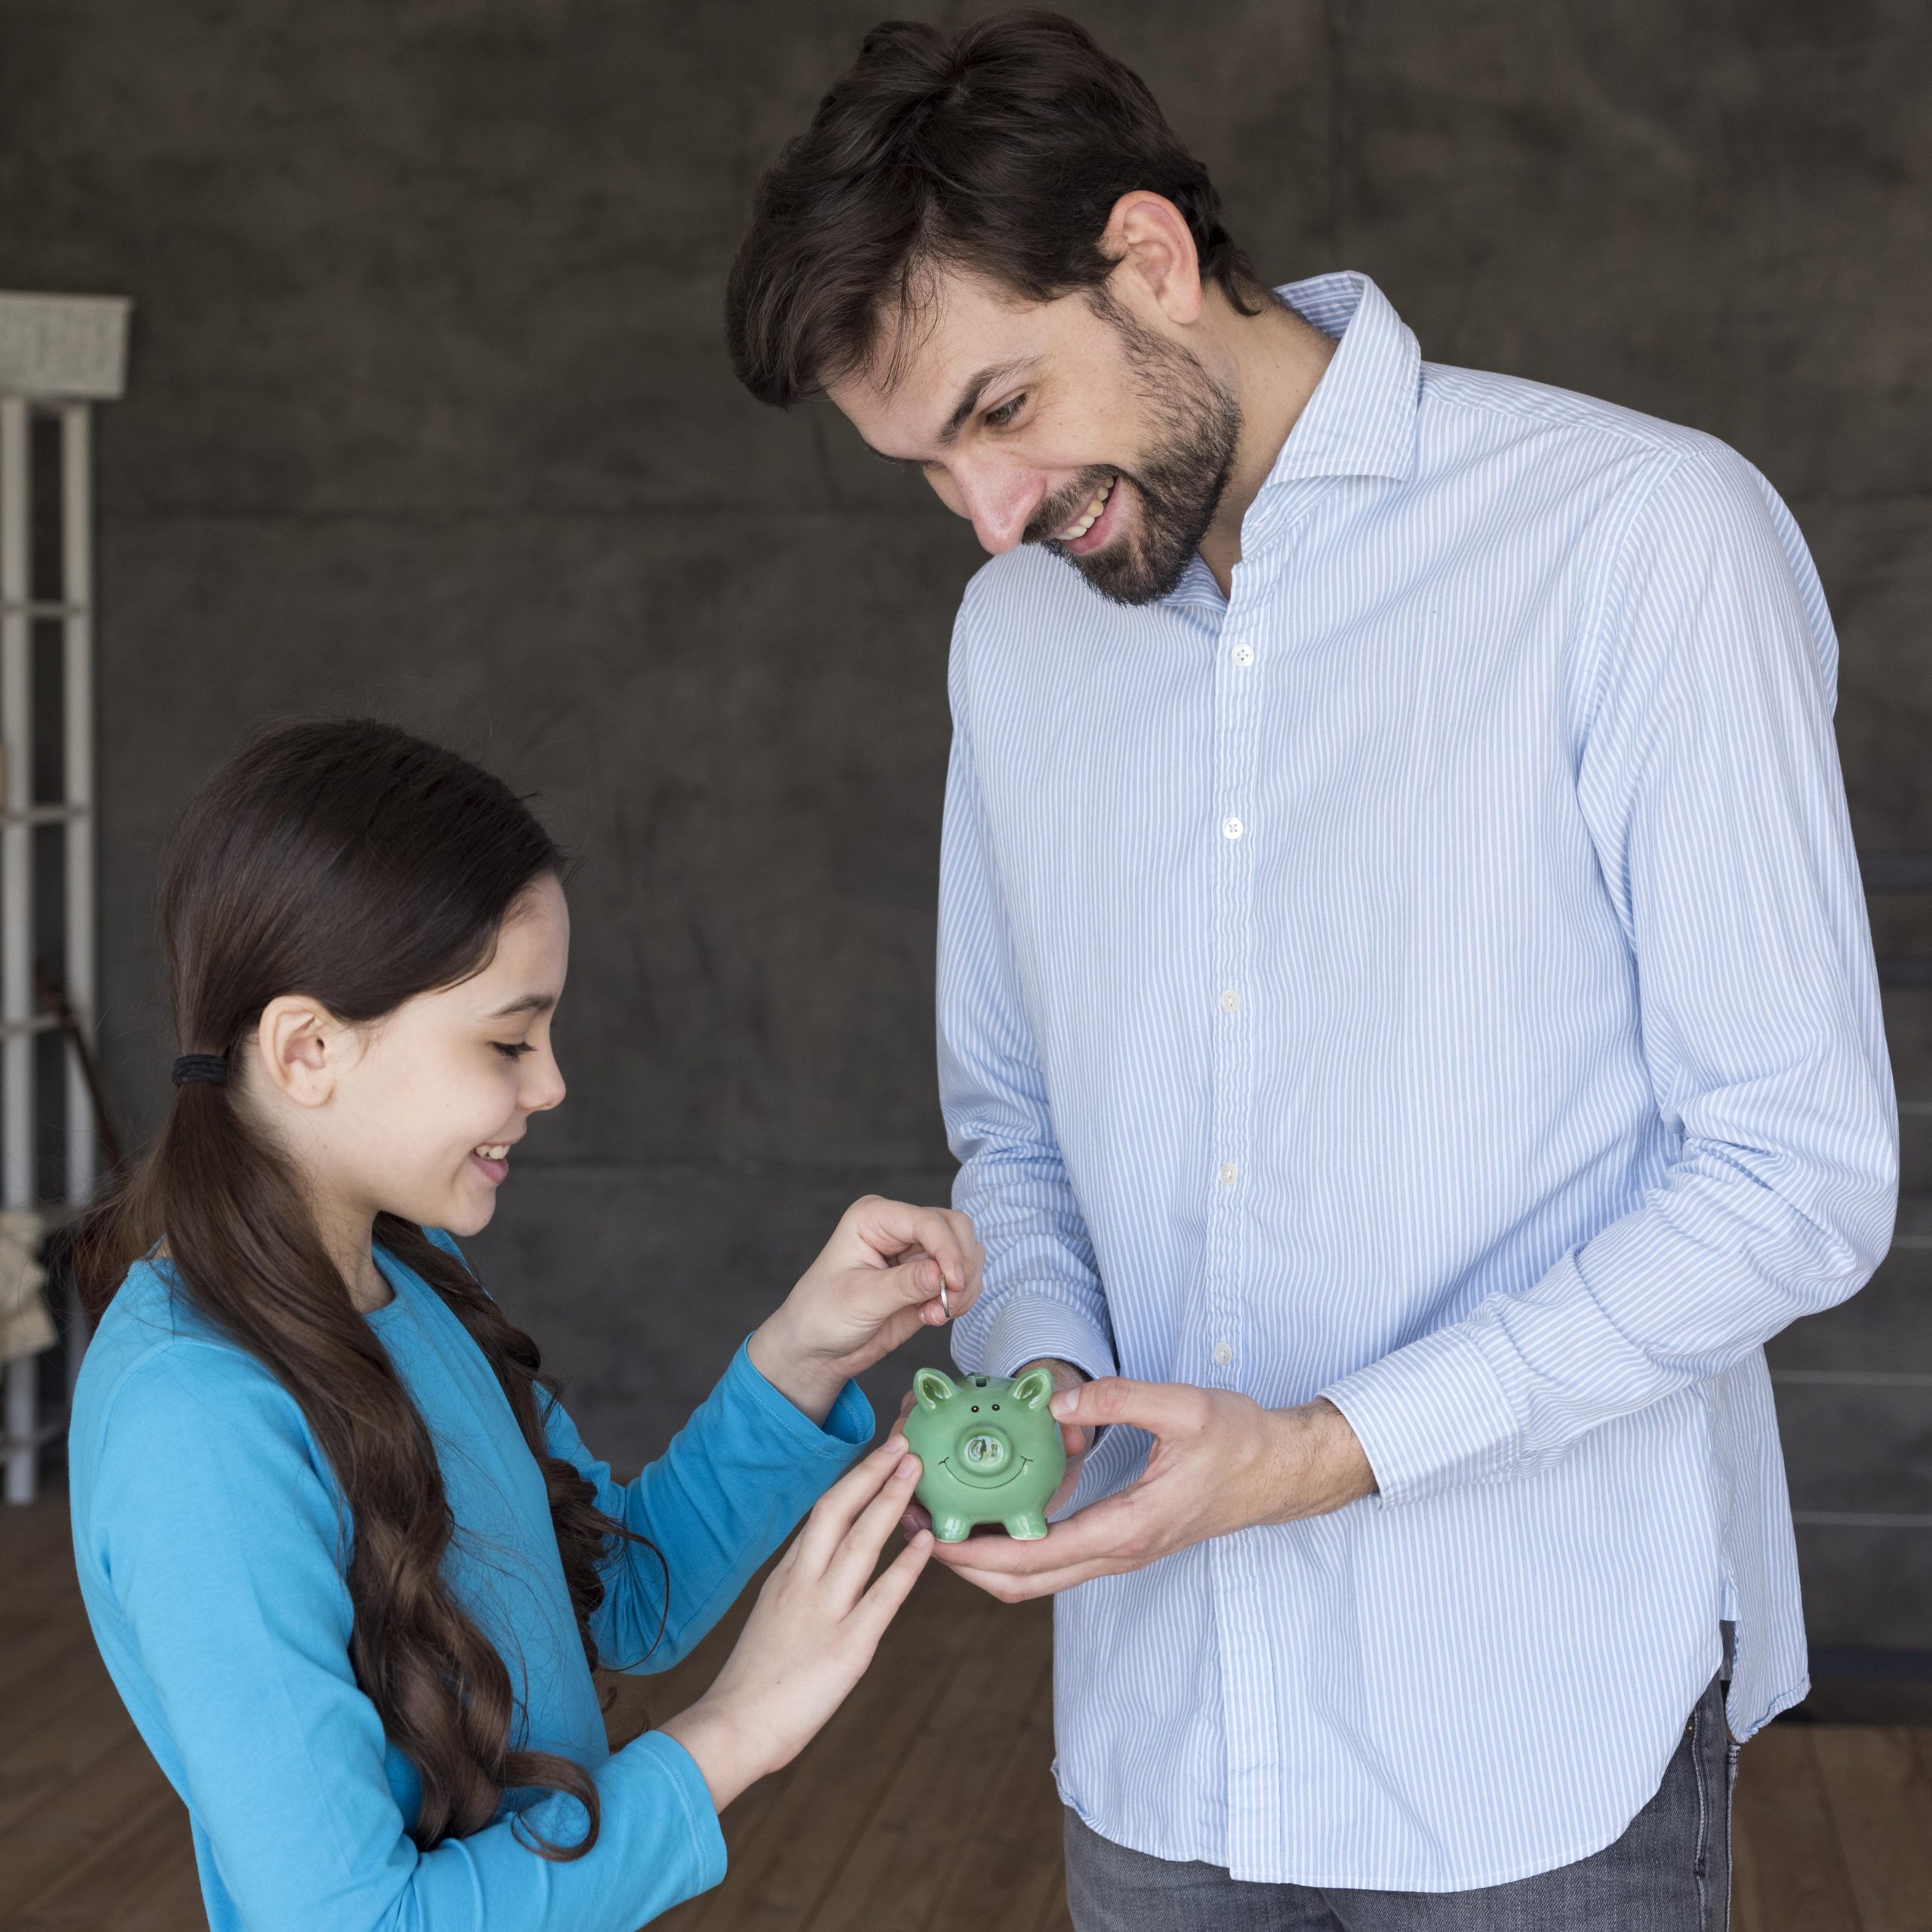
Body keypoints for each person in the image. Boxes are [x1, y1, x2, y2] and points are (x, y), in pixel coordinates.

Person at [725, 13, 1899, 1927]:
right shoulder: (1014, 646)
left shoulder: (1636, 542)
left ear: (1153, 260)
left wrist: (1329, 1455)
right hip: (1156, 1733)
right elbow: (1012, 1125)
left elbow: (1795, 1173)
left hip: (1532, 1733)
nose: (992, 516)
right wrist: (1036, 1401)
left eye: (1001, 411)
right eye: (925, 467)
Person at [66, 718, 981, 1932]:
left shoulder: (412, 1278)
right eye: (508, 1039)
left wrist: (797, 1358)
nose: (549, 1085)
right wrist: (738, 1730)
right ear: (309, 1049)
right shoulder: (194, 1426)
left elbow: (614, 1601)